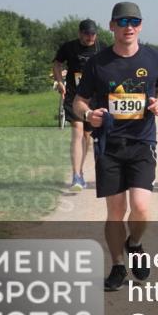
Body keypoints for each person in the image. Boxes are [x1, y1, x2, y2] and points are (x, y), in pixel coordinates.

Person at [73, 2, 158, 291]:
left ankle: (134, 243)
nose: (129, 26)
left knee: (140, 208)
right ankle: (117, 266)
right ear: (112, 25)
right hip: (109, 146)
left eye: (135, 21)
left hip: (142, 142)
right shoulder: (97, 63)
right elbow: (79, 101)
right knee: (115, 212)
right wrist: (89, 115)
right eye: (123, 21)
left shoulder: (154, 58)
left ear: (140, 25)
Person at [52, 19, 104, 191]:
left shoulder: (101, 47)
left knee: (87, 136)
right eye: (87, 34)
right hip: (75, 96)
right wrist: (59, 82)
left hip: (94, 98)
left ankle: (80, 170)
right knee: (77, 132)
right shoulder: (69, 47)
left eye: (93, 34)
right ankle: (76, 175)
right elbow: (57, 64)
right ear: (80, 33)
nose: (90, 37)